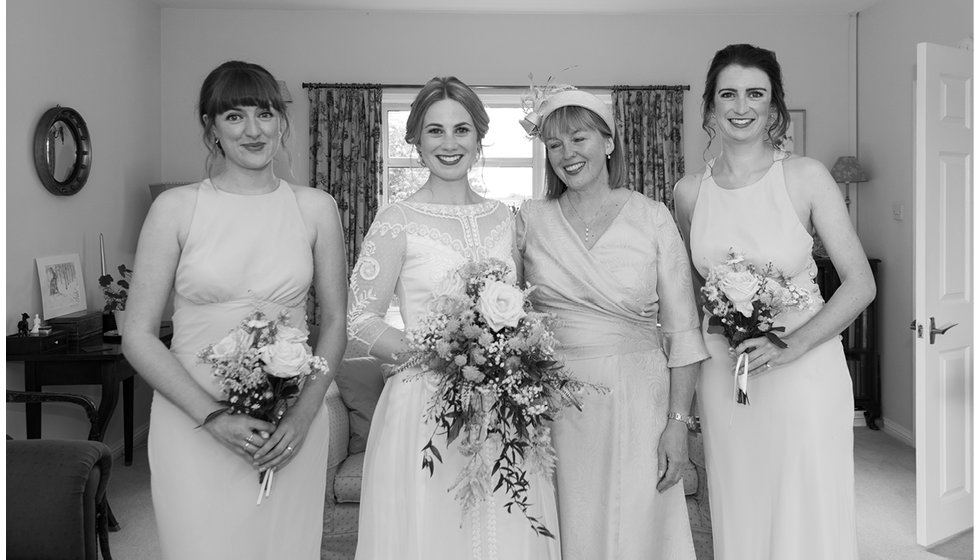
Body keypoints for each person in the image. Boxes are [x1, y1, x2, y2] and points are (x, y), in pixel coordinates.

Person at [122, 60, 347, 559]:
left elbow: (334, 322)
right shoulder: (175, 209)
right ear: (211, 128)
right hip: (193, 422)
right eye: (234, 117)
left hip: (288, 428)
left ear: (282, 122)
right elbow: (136, 334)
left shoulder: (316, 208)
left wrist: (304, 416)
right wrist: (214, 417)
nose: (253, 130)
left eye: (265, 114)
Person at [673, 44, 875, 560]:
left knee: (805, 502)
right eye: (729, 94)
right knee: (740, 498)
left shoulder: (806, 176)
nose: (742, 106)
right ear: (710, 108)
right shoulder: (690, 193)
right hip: (727, 375)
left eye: (755, 93)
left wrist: (793, 345)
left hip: (804, 371)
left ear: (774, 106)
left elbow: (859, 283)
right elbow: (697, 290)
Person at [347, 76, 560, 560]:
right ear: (416, 140)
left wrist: (508, 356)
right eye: (435, 130)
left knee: (507, 524)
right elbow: (359, 318)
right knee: (433, 530)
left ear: (479, 137)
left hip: (503, 400)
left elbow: (523, 304)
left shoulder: (506, 218)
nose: (449, 143)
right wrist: (438, 357)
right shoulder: (396, 219)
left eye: (461, 130)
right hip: (424, 402)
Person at [516, 87, 709, 559]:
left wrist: (677, 425)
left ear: (607, 141)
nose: (567, 155)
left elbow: (683, 331)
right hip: (552, 402)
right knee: (560, 523)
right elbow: (508, 316)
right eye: (555, 146)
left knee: (635, 526)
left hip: (637, 397)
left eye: (578, 139)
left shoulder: (652, 217)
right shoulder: (530, 219)